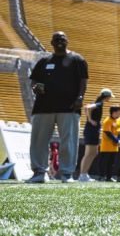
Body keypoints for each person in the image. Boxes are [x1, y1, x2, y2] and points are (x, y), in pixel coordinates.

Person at [26, 32, 89, 183]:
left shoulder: (77, 59)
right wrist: (36, 88)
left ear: (67, 41)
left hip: (69, 106)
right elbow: (34, 80)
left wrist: (80, 97)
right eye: (56, 39)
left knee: (69, 140)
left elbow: (83, 80)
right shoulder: (44, 61)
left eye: (62, 38)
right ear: (51, 42)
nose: (59, 41)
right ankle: (39, 172)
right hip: (43, 107)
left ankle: (66, 173)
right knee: (39, 141)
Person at [78, 88, 113, 182]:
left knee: (93, 153)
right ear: (107, 96)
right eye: (109, 97)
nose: (110, 99)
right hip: (91, 130)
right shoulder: (99, 103)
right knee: (89, 153)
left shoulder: (99, 103)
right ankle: (82, 175)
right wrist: (90, 120)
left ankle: (84, 174)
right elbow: (87, 107)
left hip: (93, 130)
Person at [98, 106, 120, 182]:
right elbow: (108, 133)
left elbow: (119, 131)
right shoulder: (107, 121)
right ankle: (101, 176)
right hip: (106, 146)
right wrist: (117, 141)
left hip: (114, 147)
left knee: (112, 163)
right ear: (114, 112)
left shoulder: (119, 120)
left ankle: (109, 177)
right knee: (104, 162)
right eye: (119, 112)